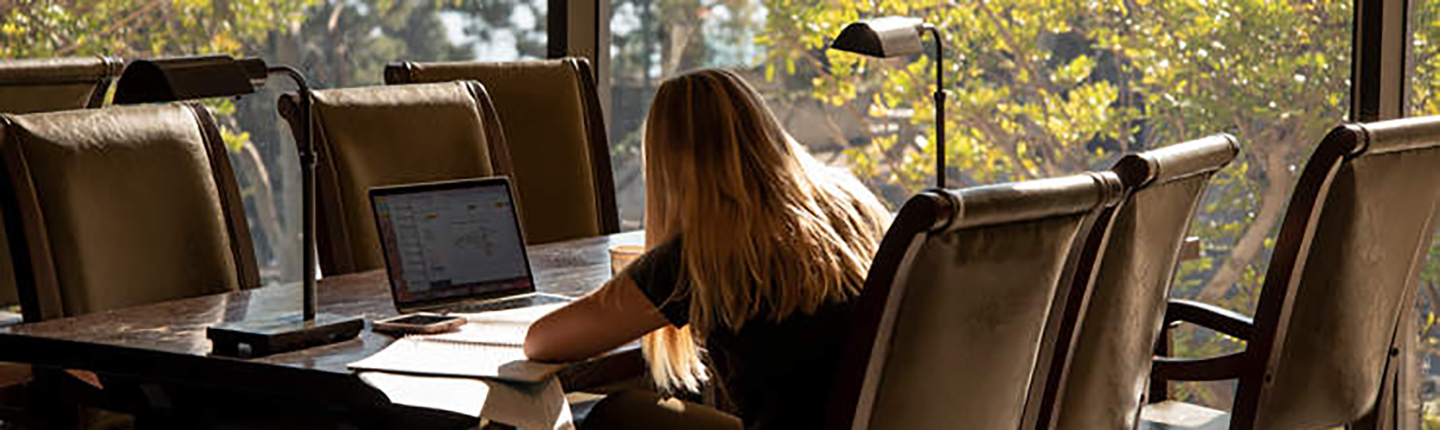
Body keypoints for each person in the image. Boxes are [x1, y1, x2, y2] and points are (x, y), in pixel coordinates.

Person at [523, 68, 891, 430]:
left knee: (618, 412)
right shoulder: (853, 206)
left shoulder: (703, 257)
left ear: (668, 164)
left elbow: (541, 342)